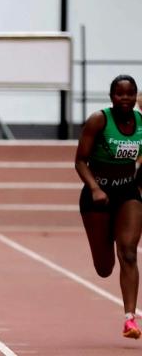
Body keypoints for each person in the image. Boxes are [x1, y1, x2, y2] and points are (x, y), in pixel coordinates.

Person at [75, 74, 142, 340]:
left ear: (136, 96)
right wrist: (95, 188)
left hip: (127, 192)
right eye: (119, 94)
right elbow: (80, 161)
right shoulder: (98, 120)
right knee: (105, 267)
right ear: (111, 96)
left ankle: (130, 319)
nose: (124, 99)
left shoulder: (140, 122)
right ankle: (106, 243)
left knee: (128, 252)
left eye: (130, 94)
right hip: (97, 194)